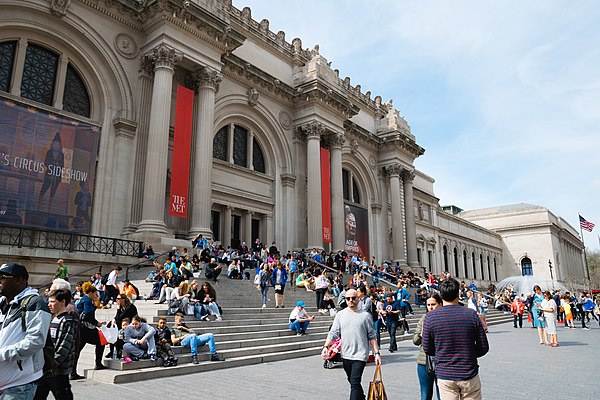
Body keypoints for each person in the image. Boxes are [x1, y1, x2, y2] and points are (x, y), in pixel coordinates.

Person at [422, 278, 489, 400]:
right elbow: (483, 347)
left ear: (440, 295)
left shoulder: (430, 317)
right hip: (469, 372)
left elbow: (427, 348)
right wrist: (468, 355)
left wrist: (442, 355)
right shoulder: (471, 314)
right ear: (458, 294)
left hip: (445, 374)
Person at [0, 262, 52, 399]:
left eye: (3, 277)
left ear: (19, 280)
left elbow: (36, 341)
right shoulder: (2, 304)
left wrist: (2, 354)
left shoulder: (35, 303)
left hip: (19, 385)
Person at [321, 288, 381, 400]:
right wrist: (325, 346)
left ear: (358, 298)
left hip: (360, 355)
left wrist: (376, 353)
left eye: (353, 298)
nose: (351, 300)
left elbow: (372, 336)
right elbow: (333, 333)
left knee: (354, 382)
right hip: (346, 355)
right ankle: (361, 397)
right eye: (348, 298)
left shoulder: (365, 315)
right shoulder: (340, 315)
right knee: (353, 382)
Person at [33, 289, 78, 400]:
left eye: (52, 302)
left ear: (63, 302)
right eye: (49, 301)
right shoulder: (52, 318)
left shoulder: (68, 321)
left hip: (58, 371)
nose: (49, 304)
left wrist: (50, 364)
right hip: (46, 369)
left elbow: (64, 348)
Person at [413, 293, 443, 400]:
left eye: (433, 304)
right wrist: (421, 334)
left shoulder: (445, 319)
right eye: (428, 305)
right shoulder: (424, 318)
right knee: (425, 395)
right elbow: (415, 340)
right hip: (424, 362)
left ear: (440, 304)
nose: (430, 307)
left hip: (442, 362)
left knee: (443, 395)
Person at [76, 282, 107, 370]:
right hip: (86, 328)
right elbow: (88, 313)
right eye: (95, 294)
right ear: (91, 293)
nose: (96, 296)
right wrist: (97, 323)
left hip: (81, 328)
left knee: (78, 350)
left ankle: (73, 372)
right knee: (101, 342)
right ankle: (98, 364)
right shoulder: (87, 300)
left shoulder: (83, 299)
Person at [106, 294, 138, 359]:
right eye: (117, 299)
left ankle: (117, 351)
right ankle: (111, 350)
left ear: (123, 299)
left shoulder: (130, 307)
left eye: (119, 298)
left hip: (131, 325)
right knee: (110, 326)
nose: (117, 300)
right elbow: (117, 317)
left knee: (116, 332)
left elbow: (120, 317)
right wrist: (113, 319)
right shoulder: (122, 307)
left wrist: (118, 309)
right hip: (123, 323)